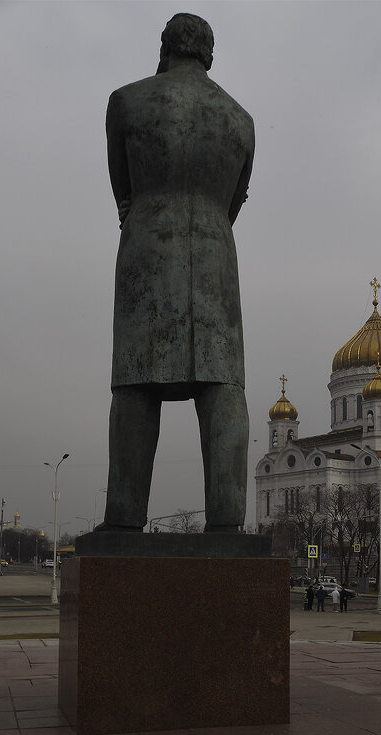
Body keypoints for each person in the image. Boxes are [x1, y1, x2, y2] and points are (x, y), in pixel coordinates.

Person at [98, 13, 255, 534]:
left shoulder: (127, 102)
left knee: (136, 385)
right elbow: (234, 201)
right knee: (223, 386)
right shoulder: (240, 120)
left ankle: (122, 520)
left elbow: (124, 191)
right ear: (210, 54)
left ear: (164, 48)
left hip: (147, 243)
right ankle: (229, 522)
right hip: (215, 253)